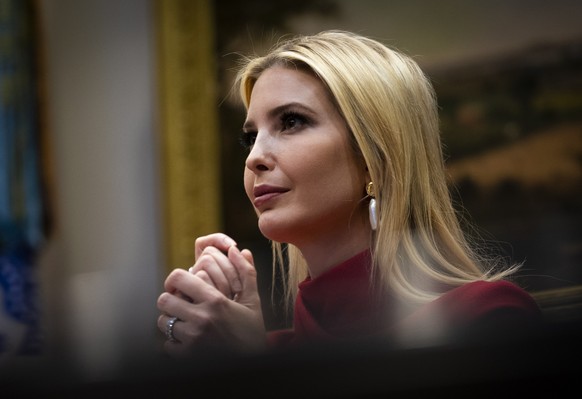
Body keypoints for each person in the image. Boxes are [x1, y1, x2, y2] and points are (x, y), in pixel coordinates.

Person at [156, 30, 541, 358]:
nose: (254, 157)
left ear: (375, 154)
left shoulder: (488, 318)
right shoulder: (268, 350)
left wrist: (253, 369)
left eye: (291, 122)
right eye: (250, 137)